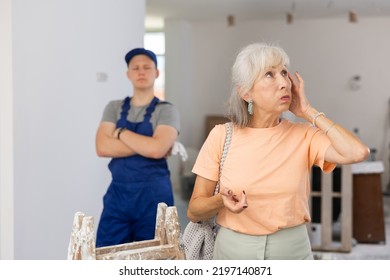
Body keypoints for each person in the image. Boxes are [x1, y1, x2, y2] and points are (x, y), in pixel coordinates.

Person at [187, 42, 369, 260]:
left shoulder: (304, 135)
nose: (284, 82)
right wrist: (220, 201)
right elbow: (194, 209)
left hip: (293, 251)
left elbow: (357, 152)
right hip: (233, 252)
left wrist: (308, 111)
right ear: (246, 93)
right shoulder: (221, 136)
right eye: (269, 75)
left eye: (284, 72)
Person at [95, 48, 180, 247]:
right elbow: (101, 147)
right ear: (128, 74)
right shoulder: (113, 107)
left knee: (156, 257)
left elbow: (157, 149)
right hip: (118, 195)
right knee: (107, 254)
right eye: (135, 68)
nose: (141, 72)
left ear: (156, 73)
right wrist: (149, 144)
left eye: (147, 67)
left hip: (155, 198)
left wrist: (120, 133)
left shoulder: (167, 110)